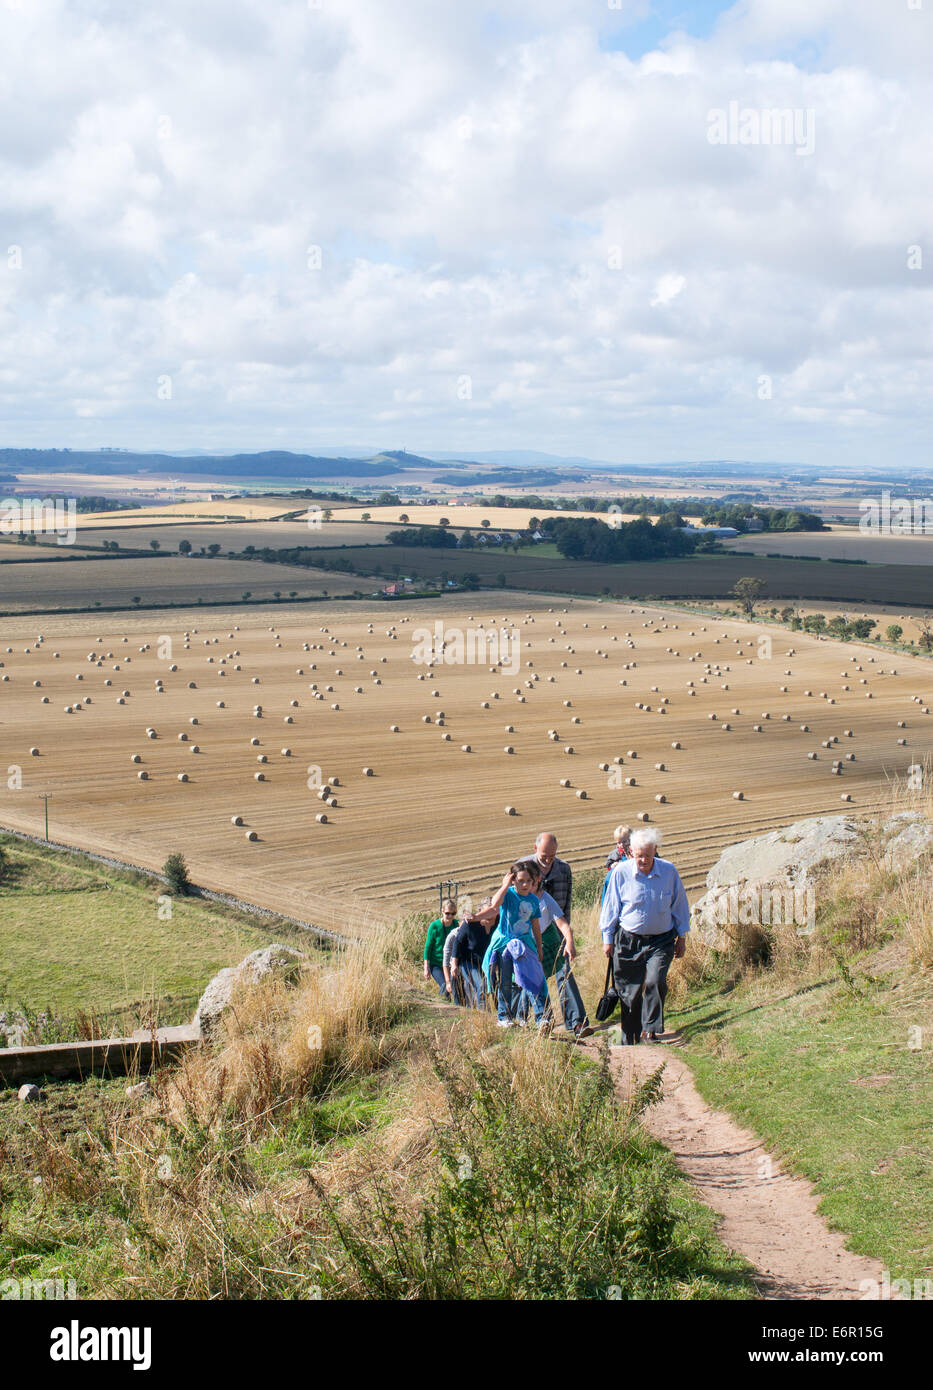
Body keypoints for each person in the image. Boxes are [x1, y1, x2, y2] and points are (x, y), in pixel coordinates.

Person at [599, 826, 689, 1044]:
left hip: (661, 940)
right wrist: (607, 939)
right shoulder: (620, 873)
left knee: (655, 981)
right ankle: (630, 1033)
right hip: (628, 939)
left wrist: (682, 937)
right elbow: (611, 907)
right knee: (628, 988)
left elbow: (679, 905)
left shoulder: (669, 871)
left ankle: (651, 1029)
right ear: (631, 853)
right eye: (639, 856)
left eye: (648, 855)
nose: (643, 860)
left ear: (655, 850)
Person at [530, 832, 591, 1037]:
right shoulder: (524, 868)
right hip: (528, 937)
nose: (548, 860)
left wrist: (568, 937)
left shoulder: (564, 869)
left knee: (564, 974)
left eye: (552, 856)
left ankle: (577, 1023)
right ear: (534, 848)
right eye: (544, 855)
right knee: (530, 978)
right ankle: (538, 1020)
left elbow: (567, 904)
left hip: (556, 933)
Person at [482, 863, 549, 1029]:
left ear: (534, 882)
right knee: (505, 982)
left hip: (524, 945)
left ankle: (542, 1019)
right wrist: (505, 885)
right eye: (520, 880)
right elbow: (495, 905)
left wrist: (539, 947)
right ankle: (504, 1017)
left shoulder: (533, 900)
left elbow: (535, 925)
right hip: (505, 944)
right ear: (513, 881)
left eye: (528, 881)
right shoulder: (509, 895)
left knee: (533, 979)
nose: (525, 884)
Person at [450, 896, 494, 1008]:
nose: (489, 915)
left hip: (486, 964)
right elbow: (457, 942)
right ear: (480, 912)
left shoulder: (498, 923)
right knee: (481, 986)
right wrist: (454, 965)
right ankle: (484, 1016)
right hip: (468, 962)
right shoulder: (470, 924)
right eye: (485, 912)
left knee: (489, 989)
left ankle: (481, 1014)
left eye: (491, 911)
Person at [423, 900, 457, 999]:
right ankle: (441, 1002)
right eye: (447, 913)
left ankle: (445, 1004)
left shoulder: (456, 924)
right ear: (442, 911)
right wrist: (426, 967)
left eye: (453, 914)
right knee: (445, 985)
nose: (450, 916)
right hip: (436, 964)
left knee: (453, 986)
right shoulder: (434, 926)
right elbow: (428, 947)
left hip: (449, 964)